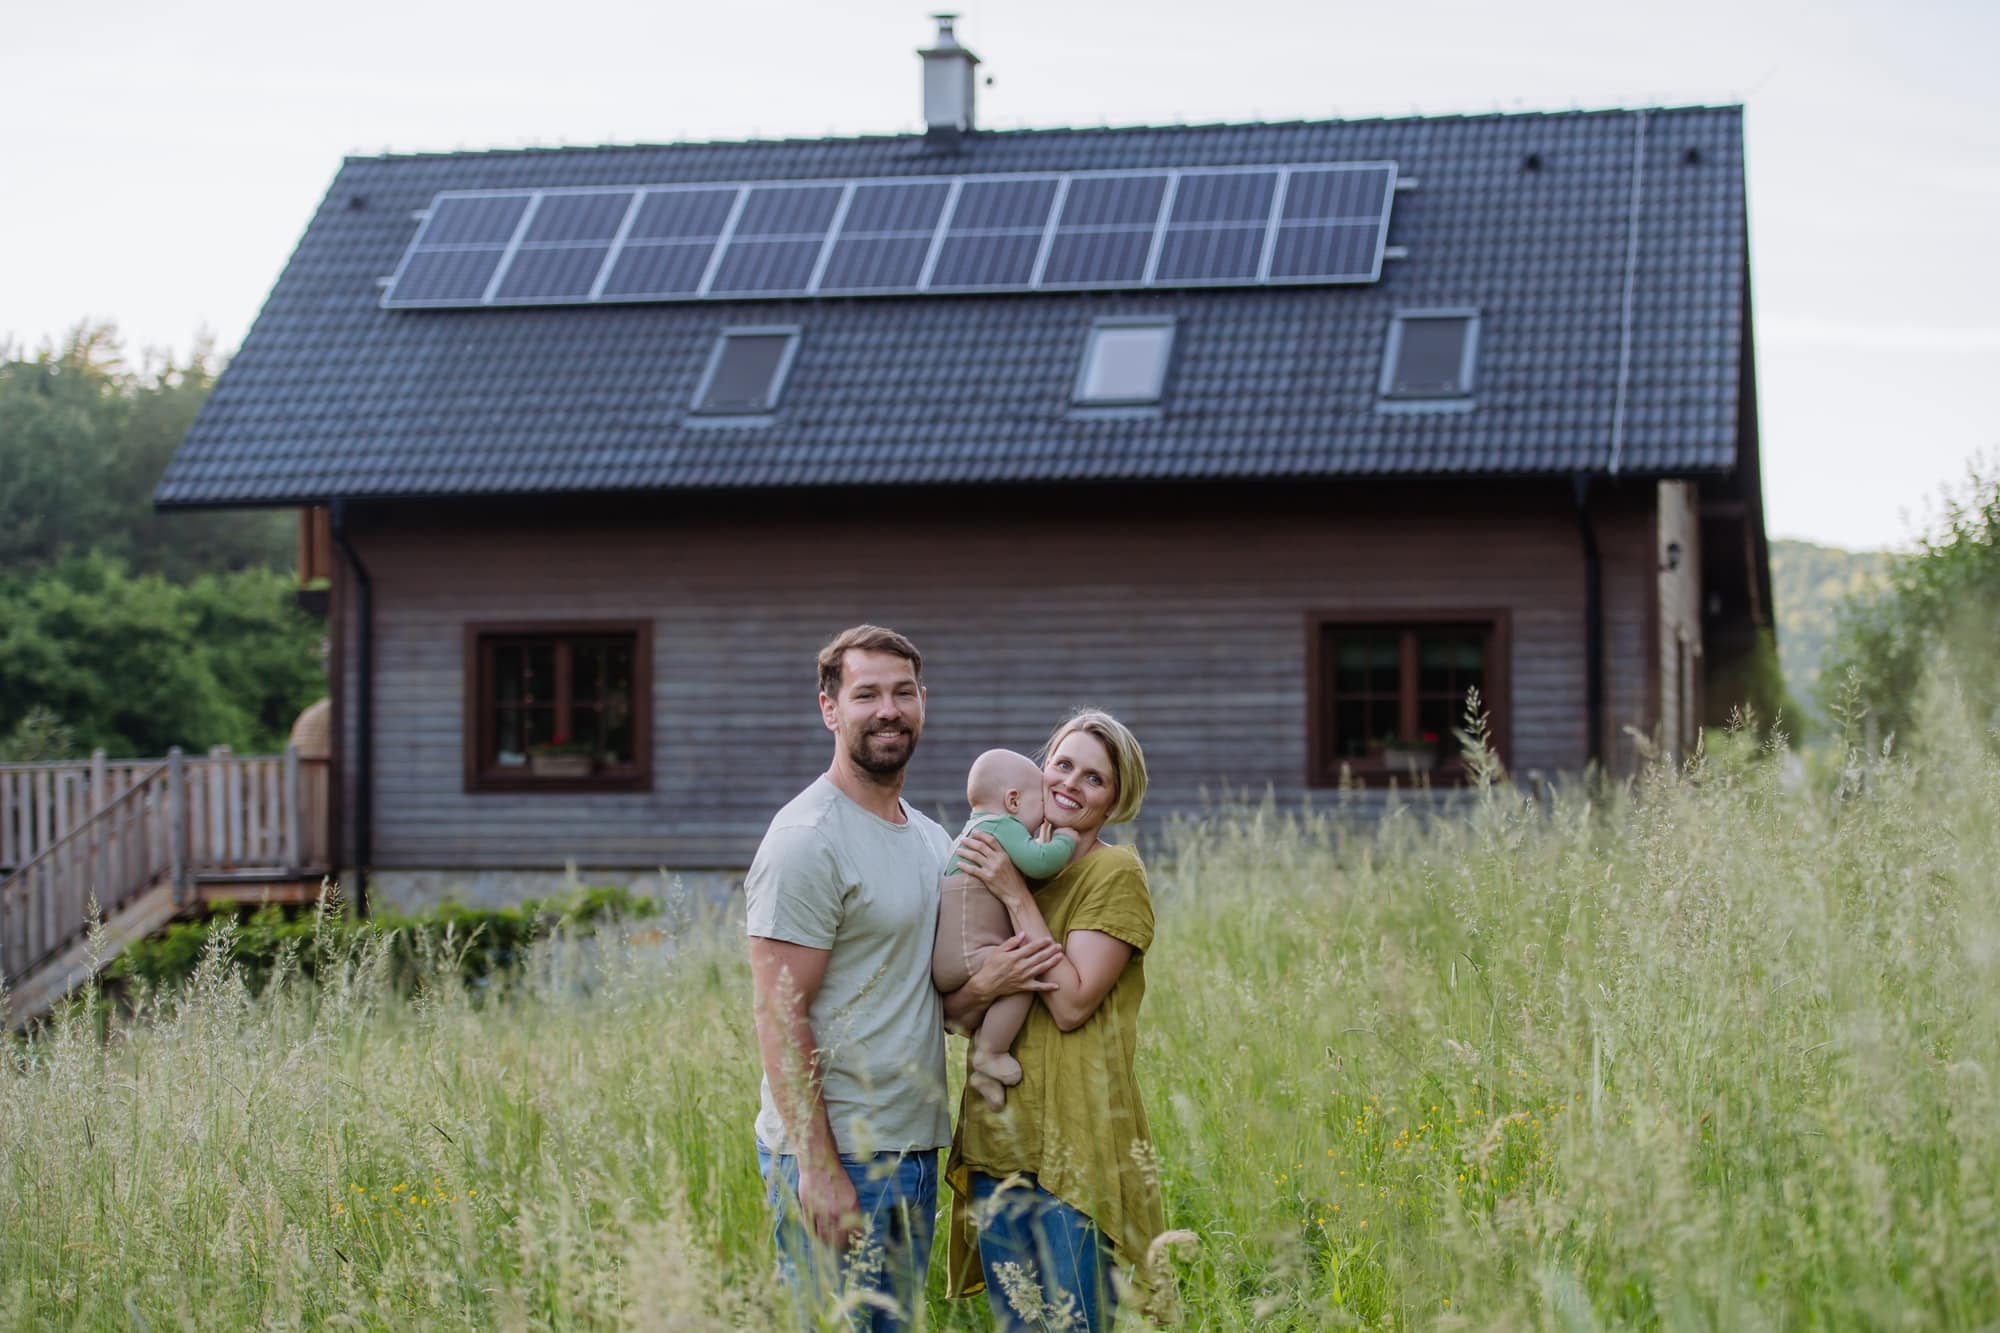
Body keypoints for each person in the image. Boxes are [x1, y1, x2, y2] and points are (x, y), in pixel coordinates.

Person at [745, 625, 1064, 1331]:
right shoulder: (807, 839)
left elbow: (932, 1001)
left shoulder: (930, 838)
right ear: (830, 708)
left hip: (915, 1149)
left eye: (902, 692)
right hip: (840, 1157)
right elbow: (778, 1012)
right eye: (866, 694)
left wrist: (990, 983)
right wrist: (818, 1167)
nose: (887, 709)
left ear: (924, 702)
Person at [943, 709, 1168, 1331]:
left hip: (1077, 1138)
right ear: (1039, 774)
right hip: (999, 1134)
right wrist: (987, 981)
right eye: (1063, 765)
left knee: (1074, 1323)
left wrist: (1017, 897)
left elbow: (1070, 1005)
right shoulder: (1004, 854)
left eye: (1094, 779)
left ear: (1115, 801)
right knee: (1017, 1323)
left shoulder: (1112, 872)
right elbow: (956, 1013)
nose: (1071, 784)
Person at [932, 748, 1075, 1108]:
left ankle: (985, 1067)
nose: (1046, 811)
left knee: (1007, 981)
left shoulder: (967, 831)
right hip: (972, 953)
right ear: (1013, 800)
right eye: (1041, 801)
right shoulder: (1001, 827)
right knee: (1024, 974)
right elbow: (1038, 862)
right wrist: (1064, 840)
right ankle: (990, 1053)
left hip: (950, 960)